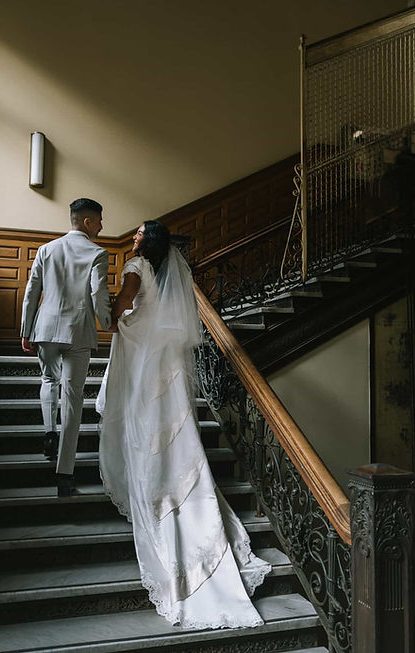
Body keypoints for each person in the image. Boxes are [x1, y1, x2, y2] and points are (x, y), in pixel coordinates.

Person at [95, 220, 270, 629]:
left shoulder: (136, 266)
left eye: (138, 233)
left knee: (145, 418)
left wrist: (107, 312)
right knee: (170, 418)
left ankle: (157, 484)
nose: (133, 237)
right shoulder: (166, 266)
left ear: (146, 241)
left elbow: (124, 304)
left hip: (144, 349)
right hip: (163, 352)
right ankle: (178, 476)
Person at [21, 198, 112, 497]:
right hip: (78, 332)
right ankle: (64, 476)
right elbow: (98, 294)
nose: (101, 225)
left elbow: (32, 291)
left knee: (48, 379)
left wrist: (26, 330)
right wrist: (108, 321)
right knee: (73, 400)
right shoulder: (97, 253)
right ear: (87, 221)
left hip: (45, 328)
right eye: (99, 220)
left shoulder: (46, 249)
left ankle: (50, 431)